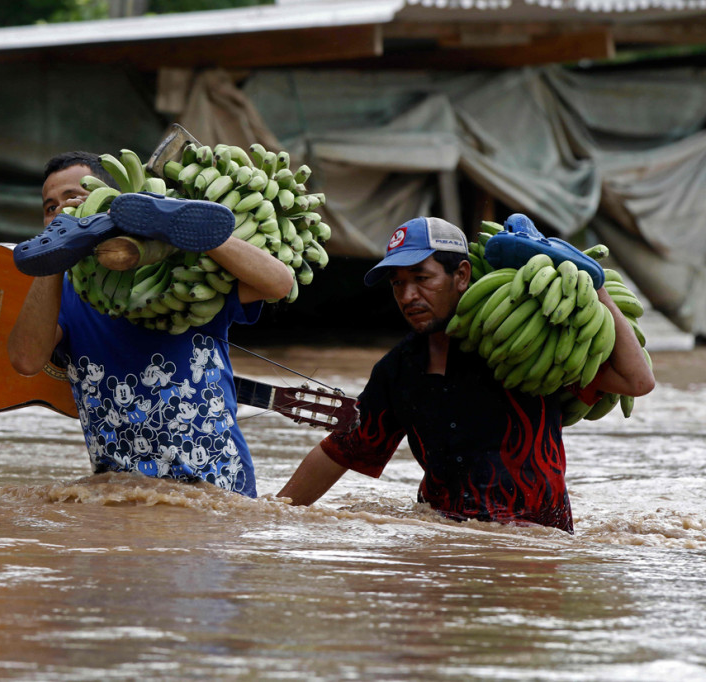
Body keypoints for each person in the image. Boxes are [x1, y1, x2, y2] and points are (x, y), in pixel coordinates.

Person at [276, 216, 655, 532]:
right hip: (447, 542)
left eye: (422, 278)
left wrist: (596, 288)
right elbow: (340, 452)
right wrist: (270, 517)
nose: (408, 296)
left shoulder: (523, 345)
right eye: (398, 284)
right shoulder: (397, 370)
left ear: (461, 275)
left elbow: (636, 381)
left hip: (536, 546)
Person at [7, 151, 294, 497]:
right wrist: (52, 256)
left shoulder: (181, 275)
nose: (61, 211)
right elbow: (26, 360)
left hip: (216, 485)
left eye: (74, 198)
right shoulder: (62, 294)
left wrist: (192, 232)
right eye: (50, 207)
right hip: (120, 495)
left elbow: (279, 284)